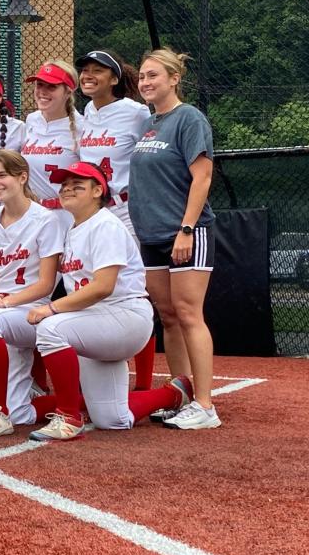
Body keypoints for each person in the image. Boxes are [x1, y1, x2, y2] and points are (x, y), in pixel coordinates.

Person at [27, 162, 193, 440]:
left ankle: (69, 417)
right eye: (64, 184)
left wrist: (52, 307)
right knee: (113, 420)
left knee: (50, 328)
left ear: (97, 190)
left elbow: (103, 287)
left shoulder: (105, 225)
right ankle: (174, 393)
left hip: (122, 317)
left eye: (77, 184)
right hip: (96, 322)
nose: (67, 188)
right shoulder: (75, 228)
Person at [129, 48, 220, 429]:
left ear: (173, 78)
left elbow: (203, 177)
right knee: (167, 315)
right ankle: (181, 394)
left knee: (187, 313)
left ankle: (205, 405)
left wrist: (186, 228)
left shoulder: (189, 119)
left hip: (186, 232)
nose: (146, 82)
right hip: (150, 234)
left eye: (153, 76)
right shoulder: (151, 123)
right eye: (143, 77)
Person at [0, 150, 63, 439]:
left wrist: (4, 302)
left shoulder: (46, 220)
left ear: (22, 177)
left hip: (30, 310)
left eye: (2, 175)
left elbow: (46, 284)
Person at [75, 49, 156, 391]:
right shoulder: (85, 114)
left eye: (98, 70)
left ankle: (145, 383)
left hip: (123, 209)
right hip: (90, 212)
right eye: (85, 70)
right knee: (92, 283)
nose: (89, 75)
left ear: (115, 78)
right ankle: (106, 366)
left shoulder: (137, 113)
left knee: (129, 290)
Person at [21, 60, 82, 231]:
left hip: (67, 215)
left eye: (52, 87)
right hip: (35, 214)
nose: (42, 92)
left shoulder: (81, 127)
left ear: (68, 91)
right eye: (39, 85)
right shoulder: (31, 120)